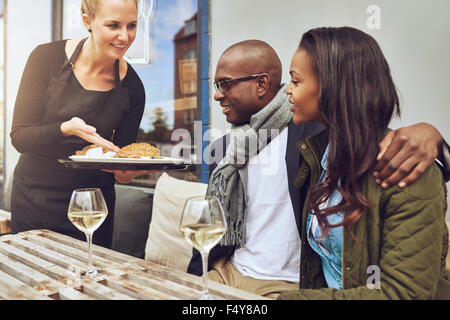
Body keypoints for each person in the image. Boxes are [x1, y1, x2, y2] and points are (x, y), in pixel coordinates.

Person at [187, 39, 449, 299]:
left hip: (284, 287)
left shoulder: (313, 137)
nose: (217, 94)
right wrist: (192, 279)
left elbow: (395, 159)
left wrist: (433, 140)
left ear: (261, 83)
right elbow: (211, 223)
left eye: (225, 84)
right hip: (228, 270)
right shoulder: (227, 150)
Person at [279, 26, 449, 299]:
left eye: (296, 81)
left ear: (334, 87)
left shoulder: (407, 169)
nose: (287, 90)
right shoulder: (319, 156)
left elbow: (405, 294)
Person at [10, 0, 145, 248]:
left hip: (92, 207)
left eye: (132, 25)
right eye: (113, 25)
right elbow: (20, 137)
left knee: (89, 281)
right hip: (35, 199)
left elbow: (122, 161)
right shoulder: (45, 58)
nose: (124, 36)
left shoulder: (133, 88)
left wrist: (126, 172)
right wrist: (66, 128)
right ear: (87, 22)